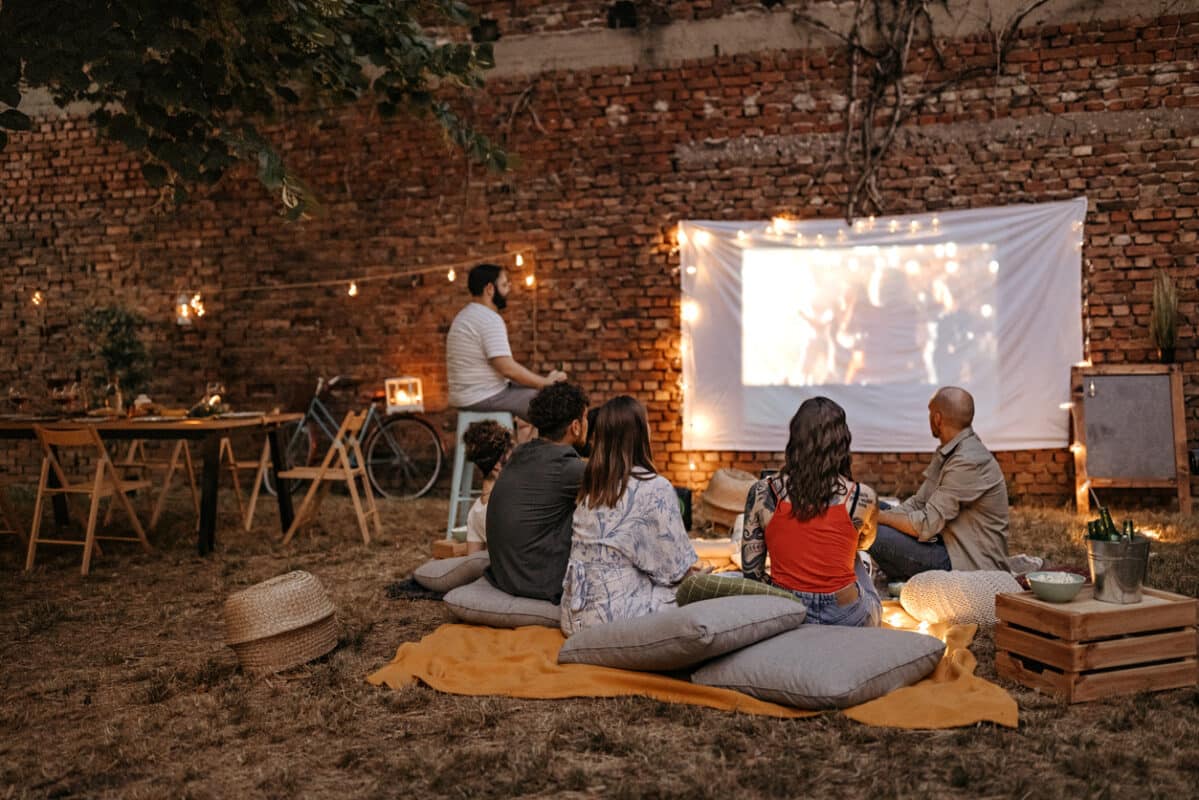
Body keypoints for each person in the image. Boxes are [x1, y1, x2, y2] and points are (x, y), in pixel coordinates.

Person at [560, 396, 700, 635]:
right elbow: (677, 571)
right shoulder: (655, 488)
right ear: (640, 433)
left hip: (573, 619)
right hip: (619, 622)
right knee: (696, 590)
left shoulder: (590, 490)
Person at [740, 397, 882, 627]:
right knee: (855, 556)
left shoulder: (762, 492)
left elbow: (752, 575)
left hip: (787, 609)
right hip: (846, 614)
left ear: (795, 440)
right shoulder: (862, 497)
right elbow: (864, 544)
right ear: (843, 442)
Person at [868, 386, 1010, 580]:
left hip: (967, 563)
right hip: (943, 542)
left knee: (875, 533)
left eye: (930, 414)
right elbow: (919, 503)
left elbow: (926, 523)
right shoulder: (952, 450)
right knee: (872, 507)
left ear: (937, 419)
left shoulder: (969, 460)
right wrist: (876, 512)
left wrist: (879, 518)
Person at [484, 382, 589, 603]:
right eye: (586, 418)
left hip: (505, 577)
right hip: (538, 584)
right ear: (576, 426)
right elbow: (620, 487)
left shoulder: (521, 454)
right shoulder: (566, 467)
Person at [445, 263, 566, 426]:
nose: (508, 289)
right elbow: (507, 369)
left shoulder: (464, 316)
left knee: (537, 395)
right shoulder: (488, 319)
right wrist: (545, 384)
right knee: (552, 405)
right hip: (482, 396)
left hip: (467, 395)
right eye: (503, 284)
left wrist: (544, 383)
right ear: (490, 289)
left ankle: (524, 440)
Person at [461, 419, 515, 554]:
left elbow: (472, 562)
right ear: (497, 465)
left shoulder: (475, 513)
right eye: (511, 456)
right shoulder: (511, 503)